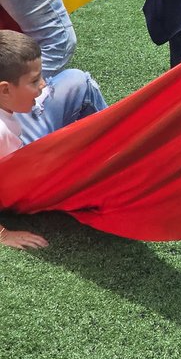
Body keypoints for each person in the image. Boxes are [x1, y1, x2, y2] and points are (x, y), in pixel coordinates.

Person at [0, 30, 106, 251]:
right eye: (34, 80)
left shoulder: (9, 105)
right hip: (23, 181)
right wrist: (3, 234)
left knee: (77, 81)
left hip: (19, 143)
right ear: (5, 89)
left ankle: (118, 150)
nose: (43, 84)